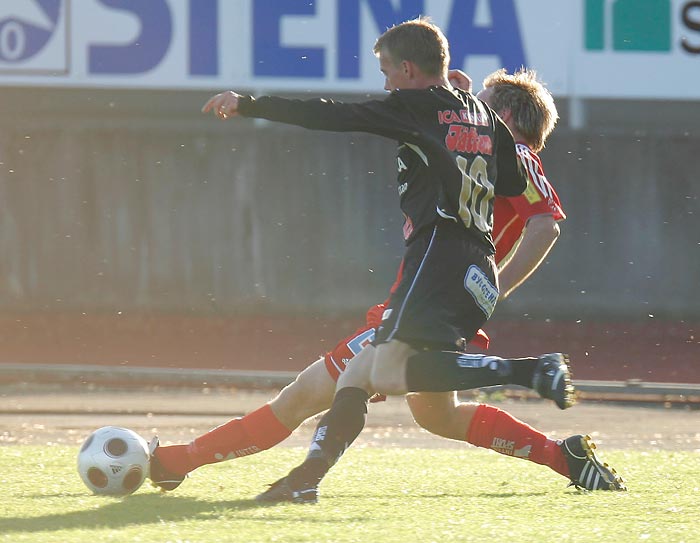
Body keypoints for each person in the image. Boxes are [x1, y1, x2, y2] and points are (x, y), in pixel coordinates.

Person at [150, 20, 623, 500]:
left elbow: (547, 221)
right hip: (453, 283)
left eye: (387, 70)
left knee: (307, 396)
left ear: (504, 115)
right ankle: (564, 456)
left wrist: (499, 283)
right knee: (435, 413)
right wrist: (462, 109)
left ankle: (182, 461)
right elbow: (486, 160)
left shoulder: (512, 151)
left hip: (438, 280)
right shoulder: (475, 126)